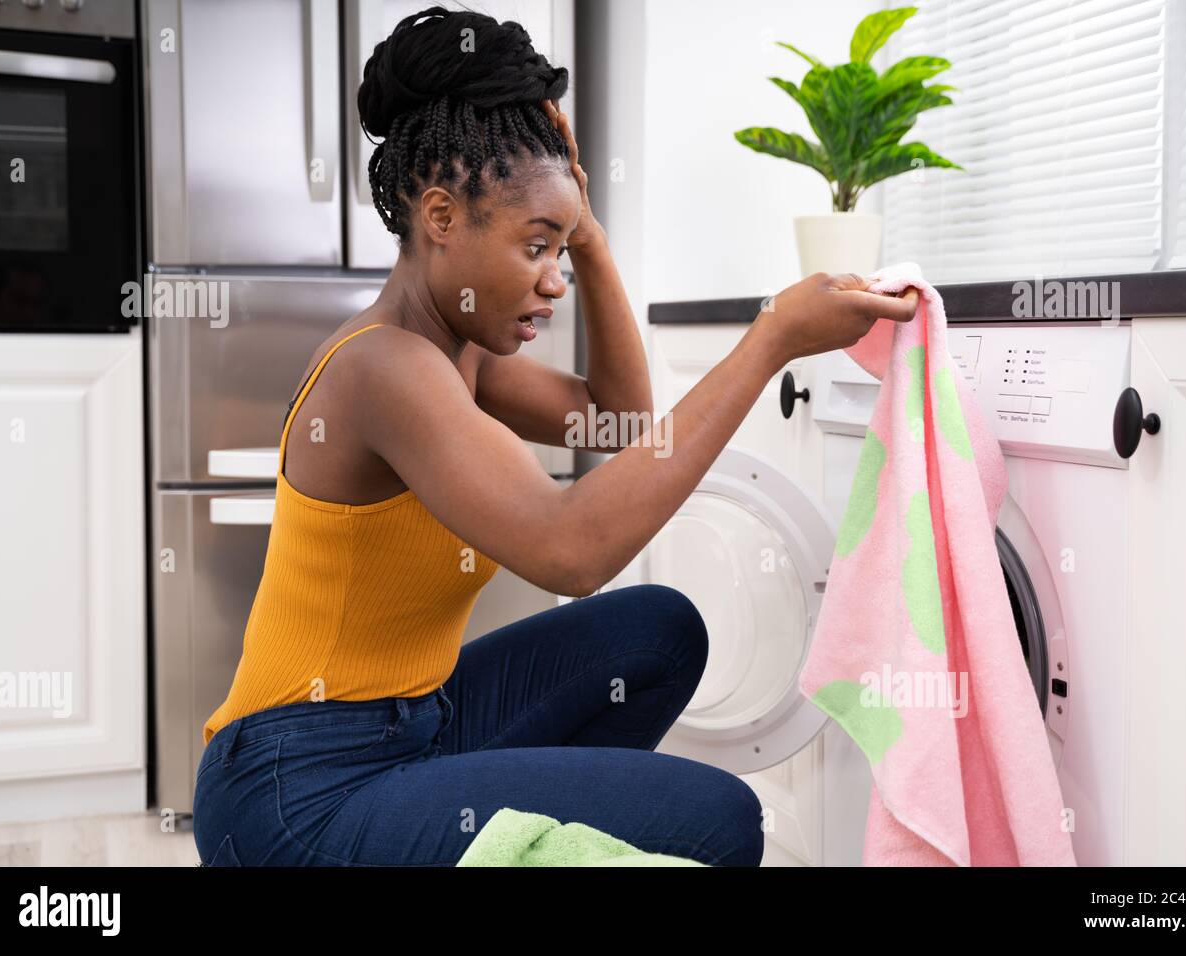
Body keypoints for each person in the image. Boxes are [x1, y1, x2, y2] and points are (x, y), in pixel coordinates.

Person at [191, 4, 918, 868]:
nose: (555, 281)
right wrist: (770, 342)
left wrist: (588, 235)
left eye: (562, 250)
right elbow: (572, 550)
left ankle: (497, 838)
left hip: (414, 721)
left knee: (657, 634)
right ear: (440, 217)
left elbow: (620, 421)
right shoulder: (382, 370)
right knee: (718, 820)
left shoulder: (457, 355)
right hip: (294, 793)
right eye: (536, 247)